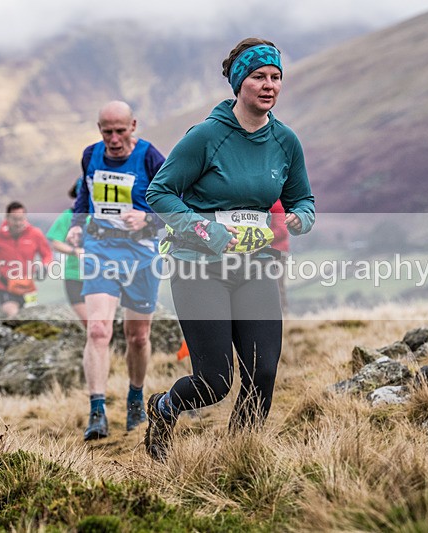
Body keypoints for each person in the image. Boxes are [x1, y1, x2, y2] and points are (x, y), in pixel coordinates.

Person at [144, 37, 315, 461]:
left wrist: (301, 218)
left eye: (276, 77)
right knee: (215, 381)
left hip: (255, 264)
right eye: (259, 76)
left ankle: (238, 459)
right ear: (239, 82)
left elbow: (303, 200)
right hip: (197, 265)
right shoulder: (206, 136)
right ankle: (164, 409)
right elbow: (159, 192)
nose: (269, 85)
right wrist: (202, 228)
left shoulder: (286, 141)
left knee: (263, 372)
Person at [66, 100, 166, 441]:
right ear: (99, 130)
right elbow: (84, 195)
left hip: (142, 251)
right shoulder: (90, 155)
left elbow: (176, 204)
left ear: (133, 125)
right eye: (107, 131)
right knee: (97, 331)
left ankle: (136, 399)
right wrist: (77, 225)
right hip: (101, 249)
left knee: (137, 336)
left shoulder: (151, 157)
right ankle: (97, 412)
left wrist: (148, 218)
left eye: (120, 131)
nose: (114, 138)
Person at [0, 201, 53, 318]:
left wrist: (45, 267)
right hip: (6, 287)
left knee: (31, 320)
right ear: (7, 218)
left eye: (22, 219)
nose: (19, 223)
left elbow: (47, 254)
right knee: (13, 316)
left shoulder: (35, 234)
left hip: (28, 287)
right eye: (15, 219)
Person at [47, 180, 88, 326]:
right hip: (74, 275)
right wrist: (74, 251)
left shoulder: (102, 216)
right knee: (88, 322)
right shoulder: (67, 217)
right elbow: (55, 242)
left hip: (101, 276)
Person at [269, 199, 290, 313]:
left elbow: (282, 231)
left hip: (277, 253)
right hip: (274, 252)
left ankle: (283, 318)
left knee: (277, 287)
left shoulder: (276, 204)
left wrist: (260, 238)